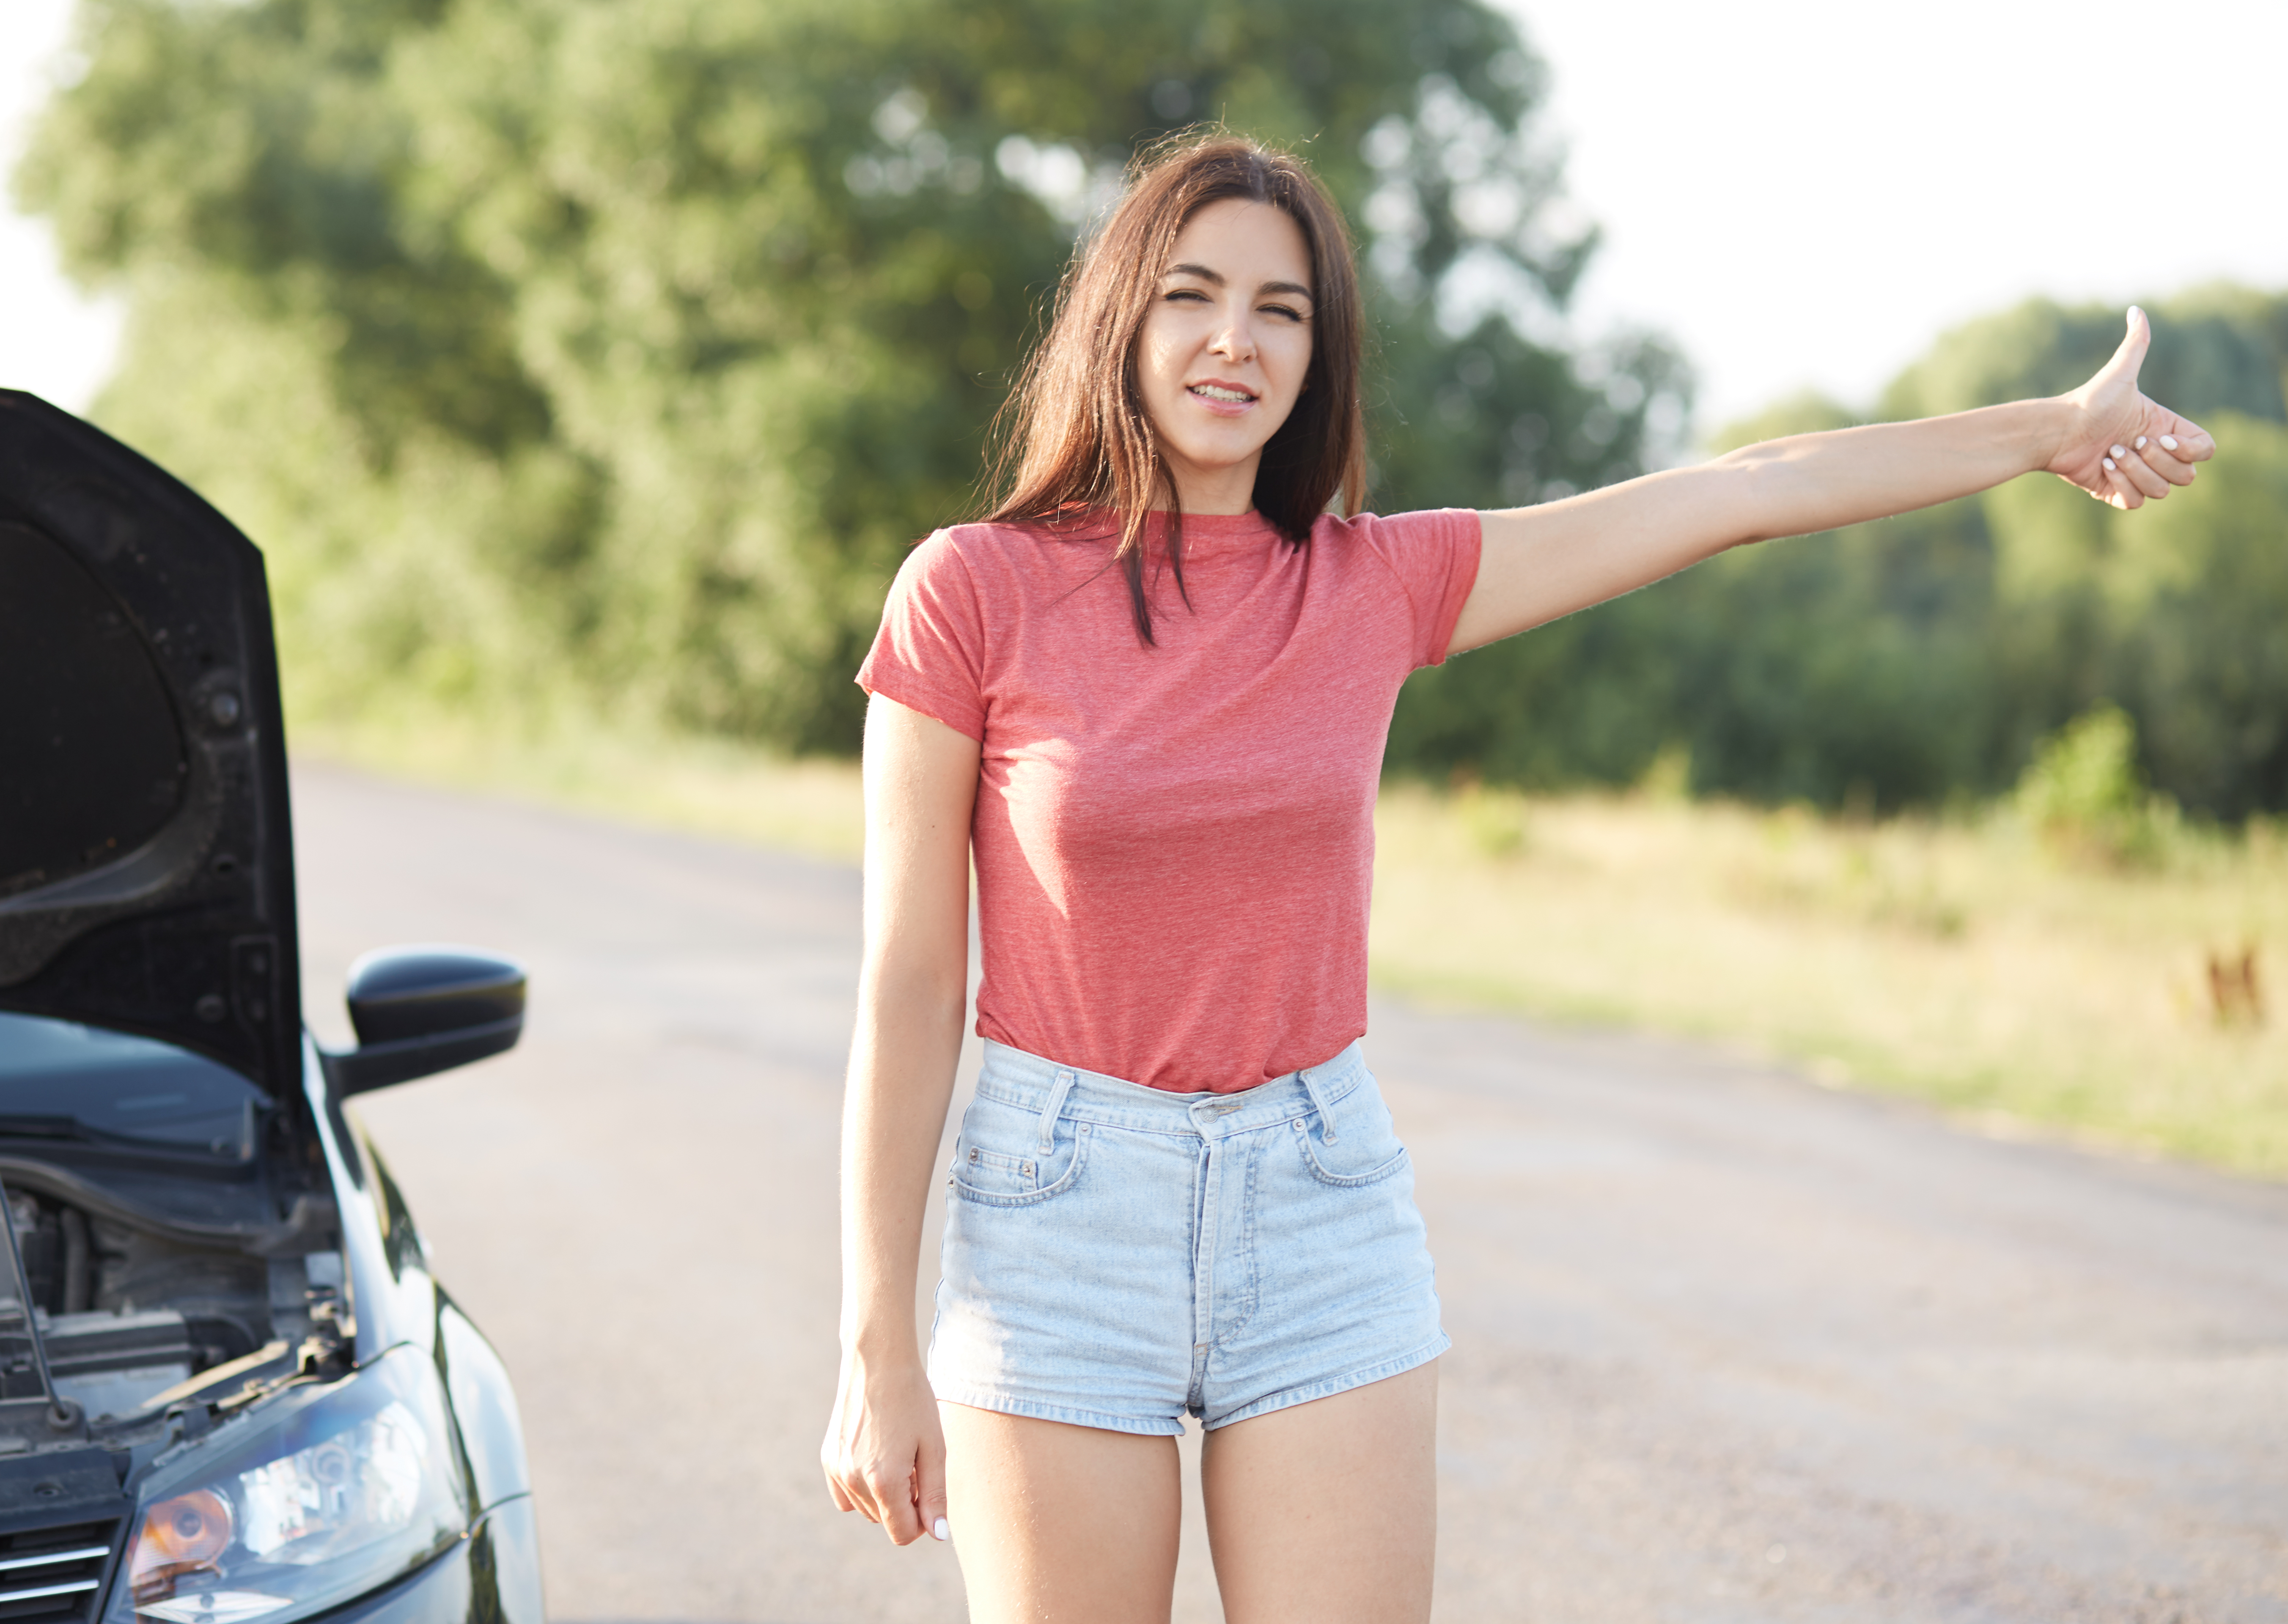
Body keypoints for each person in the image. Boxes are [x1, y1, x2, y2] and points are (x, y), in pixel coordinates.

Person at [819, 133, 2214, 1623]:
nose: (1237, 340)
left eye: (1284, 310)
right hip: (1060, 1218)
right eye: (1193, 295)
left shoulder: (1375, 583)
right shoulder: (974, 590)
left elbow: (1746, 484)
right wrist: (875, 1347)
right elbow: (911, 984)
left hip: (1317, 1203)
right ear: (1121, 320)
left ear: (1321, 349)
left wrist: (2053, 430)